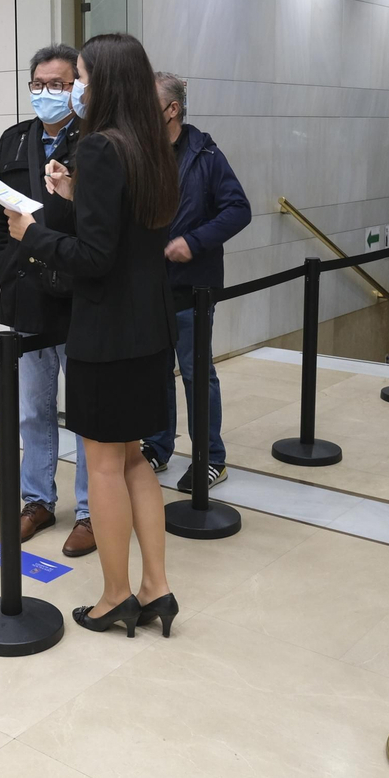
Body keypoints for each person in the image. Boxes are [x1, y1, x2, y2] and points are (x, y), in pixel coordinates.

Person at [7, 32, 180, 638]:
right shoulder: (150, 145)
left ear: (103, 81)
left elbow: (95, 256)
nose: (74, 88)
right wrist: (75, 194)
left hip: (106, 333)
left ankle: (114, 596)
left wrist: (33, 233)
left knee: (104, 466)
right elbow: (128, 231)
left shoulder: (102, 146)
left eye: (78, 76)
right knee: (135, 461)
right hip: (149, 329)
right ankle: (156, 587)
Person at [0, 43, 95, 558]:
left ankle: (91, 511)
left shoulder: (94, 141)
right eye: (39, 84)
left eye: (58, 84)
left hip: (79, 293)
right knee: (32, 408)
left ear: (77, 87)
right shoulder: (14, 139)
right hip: (26, 291)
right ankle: (38, 501)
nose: (46, 92)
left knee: (87, 411)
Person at [141, 74, 252, 491]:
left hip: (193, 288)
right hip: (150, 287)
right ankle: (158, 446)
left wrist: (194, 241)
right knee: (155, 371)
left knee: (195, 372)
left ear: (172, 109)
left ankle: (210, 457)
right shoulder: (142, 153)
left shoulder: (205, 154)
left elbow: (238, 209)